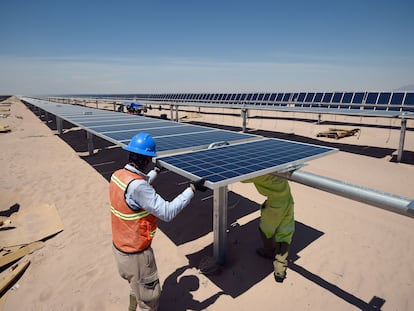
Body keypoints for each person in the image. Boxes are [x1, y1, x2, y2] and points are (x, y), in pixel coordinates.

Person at [109, 132, 206, 311]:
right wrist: (192, 189)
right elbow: (167, 212)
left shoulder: (118, 176)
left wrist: (156, 172)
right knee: (149, 299)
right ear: (146, 160)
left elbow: (137, 187)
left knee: (135, 285)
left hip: (120, 250)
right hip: (137, 255)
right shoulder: (139, 187)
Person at [242, 173, 294, 283]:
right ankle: (280, 271)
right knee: (285, 235)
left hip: (275, 206)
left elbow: (241, 178)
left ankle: (269, 250)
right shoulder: (279, 166)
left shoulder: (257, 174)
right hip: (288, 201)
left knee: (265, 230)